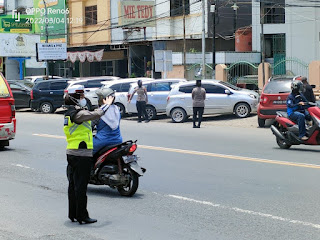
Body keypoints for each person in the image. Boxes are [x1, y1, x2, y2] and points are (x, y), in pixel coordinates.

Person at [63, 84, 114, 224]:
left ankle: (73, 214)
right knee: (81, 186)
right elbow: (95, 114)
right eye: (81, 96)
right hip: (81, 154)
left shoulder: (71, 112)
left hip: (73, 152)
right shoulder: (77, 114)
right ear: (74, 98)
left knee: (73, 185)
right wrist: (107, 104)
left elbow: (90, 120)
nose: (83, 98)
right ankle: (82, 216)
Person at [93, 88, 123, 155]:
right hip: (117, 140)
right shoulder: (117, 110)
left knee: (86, 153)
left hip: (101, 141)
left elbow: (90, 125)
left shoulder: (99, 112)